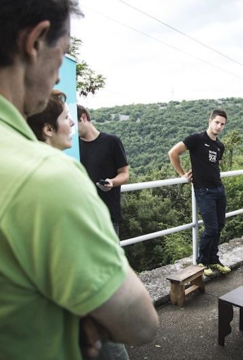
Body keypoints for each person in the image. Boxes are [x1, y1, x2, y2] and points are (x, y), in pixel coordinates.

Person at [0, 1, 158, 360]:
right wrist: (78, 314)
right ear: (36, 41)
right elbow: (141, 325)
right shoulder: (45, 177)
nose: (58, 77)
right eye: (62, 53)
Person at [28, 95, 131, 360]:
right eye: (65, 117)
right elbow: (143, 323)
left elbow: (125, 173)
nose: (71, 122)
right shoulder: (59, 174)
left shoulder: (31, 170)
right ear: (48, 129)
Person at [168, 109, 231, 276]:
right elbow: (173, 153)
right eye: (216, 122)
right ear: (210, 121)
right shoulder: (196, 139)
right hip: (204, 190)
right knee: (211, 228)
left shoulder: (220, 146)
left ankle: (213, 259)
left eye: (222, 124)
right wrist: (182, 174)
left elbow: (214, 164)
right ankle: (202, 261)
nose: (219, 126)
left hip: (219, 188)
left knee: (219, 226)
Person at [77, 105, 130, 236]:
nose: (70, 126)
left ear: (83, 117)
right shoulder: (72, 146)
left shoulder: (112, 142)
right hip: (81, 217)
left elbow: (124, 174)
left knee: (110, 256)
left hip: (107, 215)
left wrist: (111, 182)